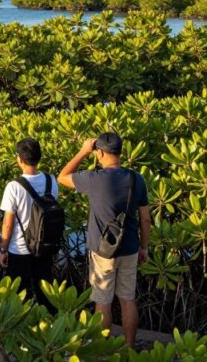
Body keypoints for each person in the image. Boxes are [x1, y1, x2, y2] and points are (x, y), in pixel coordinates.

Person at [58, 133, 150, 348]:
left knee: (103, 302)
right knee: (128, 299)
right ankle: (128, 347)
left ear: (99, 152)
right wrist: (144, 247)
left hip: (102, 251)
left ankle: (103, 349)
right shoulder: (137, 179)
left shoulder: (93, 178)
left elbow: (62, 177)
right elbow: (145, 218)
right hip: (129, 248)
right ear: (120, 152)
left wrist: (83, 151)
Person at [0, 137, 58, 306]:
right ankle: (49, 327)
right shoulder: (51, 180)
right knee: (45, 295)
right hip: (44, 247)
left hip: (19, 249)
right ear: (39, 157)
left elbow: (7, 224)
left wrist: (3, 250)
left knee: (20, 298)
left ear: (19, 159)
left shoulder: (14, 186)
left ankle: (23, 330)